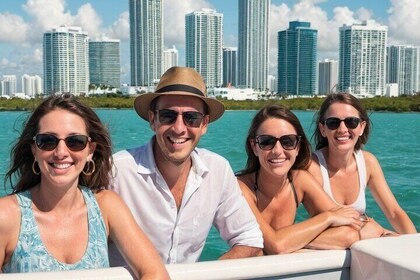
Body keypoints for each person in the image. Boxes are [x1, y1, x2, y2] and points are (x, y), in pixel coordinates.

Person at [0, 94, 170, 279]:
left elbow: (155, 272)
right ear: (34, 150)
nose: (61, 152)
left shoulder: (106, 207)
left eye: (75, 142)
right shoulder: (7, 215)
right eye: (47, 141)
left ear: (90, 150)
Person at [109, 66, 263, 265]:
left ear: (204, 124)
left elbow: (249, 239)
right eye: (168, 116)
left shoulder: (217, 170)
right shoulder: (116, 172)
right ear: (152, 119)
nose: (179, 128)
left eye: (191, 118)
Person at [236, 104, 385, 255]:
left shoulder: (299, 180)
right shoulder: (241, 188)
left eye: (288, 141)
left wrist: (291, 242)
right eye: (266, 141)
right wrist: (328, 217)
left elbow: (349, 231)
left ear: (298, 147)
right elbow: (276, 246)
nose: (277, 151)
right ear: (254, 146)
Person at [308, 93, 416, 235]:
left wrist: (414, 243)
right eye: (333, 123)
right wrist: (375, 230)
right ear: (323, 128)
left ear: (361, 127)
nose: (342, 129)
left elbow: (394, 212)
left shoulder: (368, 162)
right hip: (331, 246)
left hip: (360, 242)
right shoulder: (312, 167)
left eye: (351, 122)